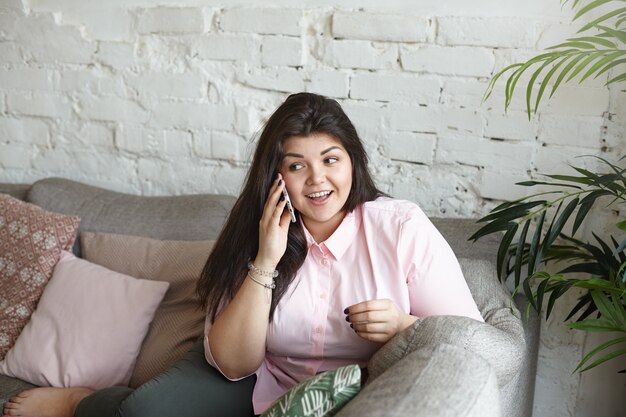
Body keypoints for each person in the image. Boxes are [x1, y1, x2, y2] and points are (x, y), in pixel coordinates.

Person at [2, 92, 483, 417]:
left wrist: (404, 326)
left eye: (330, 160)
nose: (317, 181)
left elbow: (469, 341)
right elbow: (234, 364)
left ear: (352, 163)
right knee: (140, 413)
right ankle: (84, 403)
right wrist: (267, 260)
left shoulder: (399, 227)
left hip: (353, 390)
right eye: (297, 166)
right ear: (276, 177)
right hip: (260, 375)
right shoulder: (256, 232)